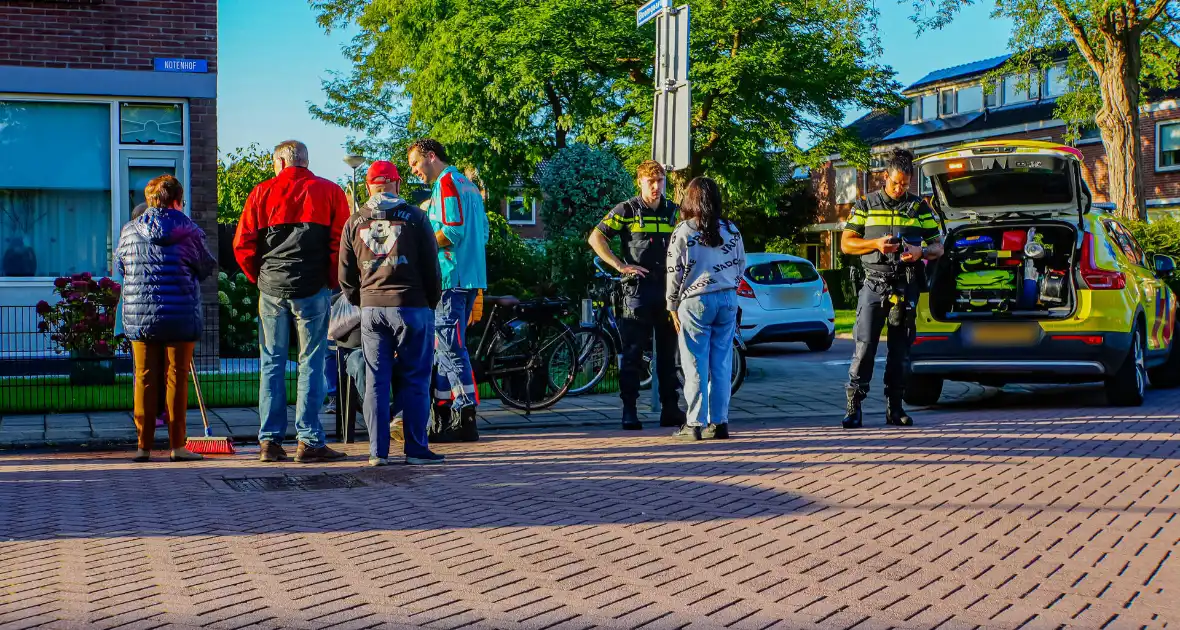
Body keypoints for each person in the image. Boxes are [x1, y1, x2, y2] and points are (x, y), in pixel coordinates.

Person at [233, 140, 349, 463]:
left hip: (271, 286)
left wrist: (260, 277)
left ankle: (269, 441)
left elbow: (242, 243)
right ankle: (309, 440)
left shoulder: (261, 193)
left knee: (271, 360)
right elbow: (340, 244)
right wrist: (329, 280)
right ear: (304, 161)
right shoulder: (331, 192)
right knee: (310, 361)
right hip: (312, 287)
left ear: (281, 163)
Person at [338, 167, 444, 466]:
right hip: (412, 305)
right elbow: (431, 268)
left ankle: (377, 452)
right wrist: (430, 302)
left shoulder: (354, 221)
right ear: (396, 183)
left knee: (376, 380)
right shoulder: (416, 218)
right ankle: (416, 450)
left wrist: (362, 300)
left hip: (371, 308)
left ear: (369, 187)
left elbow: (345, 273)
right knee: (415, 379)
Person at [840, 148, 945, 428]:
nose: (900, 189)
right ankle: (854, 407)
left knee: (901, 352)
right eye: (896, 182)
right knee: (864, 348)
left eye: (905, 184)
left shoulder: (920, 207)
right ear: (885, 176)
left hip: (905, 283)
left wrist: (921, 251)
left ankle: (895, 408)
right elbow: (847, 243)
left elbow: (939, 246)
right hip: (874, 283)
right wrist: (874, 244)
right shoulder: (865, 204)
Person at [116, 175, 215, 462]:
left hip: (140, 315)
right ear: (176, 200)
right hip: (180, 314)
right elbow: (204, 266)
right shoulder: (190, 231)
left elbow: (121, 266)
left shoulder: (129, 231)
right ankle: (177, 446)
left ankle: (143, 446)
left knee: (144, 378)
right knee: (177, 378)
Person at [588, 160, 687, 430]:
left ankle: (670, 409)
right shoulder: (627, 209)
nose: (656, 187)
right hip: (637, 293)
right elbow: (596, 238)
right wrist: (620, 265)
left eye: (660, 182)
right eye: (650, 182)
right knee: (632, 355)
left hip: (667, 291)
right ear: (640, 182)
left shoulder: (673, 211)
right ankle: (629, 411)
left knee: (669, 356)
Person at [407, 139, 488, 443]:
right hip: (470, 277)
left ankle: (465, 418)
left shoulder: (447, 184)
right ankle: (445, 417)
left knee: (451, 349)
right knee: (444, 348)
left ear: (431, 156)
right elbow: (483, 234)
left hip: (451, 277)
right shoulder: (468, 186)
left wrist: (421, 246)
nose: (415, 171)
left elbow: (452, 231)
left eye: (416, 163)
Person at [665, 177, 745, 440]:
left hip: (696, 300)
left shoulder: (684, 231)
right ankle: (720, 422)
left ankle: (694, 422)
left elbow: (674, 271)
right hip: (727, 298)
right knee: (721, 362)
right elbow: (741, 264)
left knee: (694, 361)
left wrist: (672, 304)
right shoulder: (731, 230)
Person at [129, 202, 169, 431]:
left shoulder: (129, 240)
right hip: (152, 313)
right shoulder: (150, 244)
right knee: (152, 369)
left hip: (140, 315)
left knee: (146, 370)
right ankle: (152, 412)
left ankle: (148, 413)